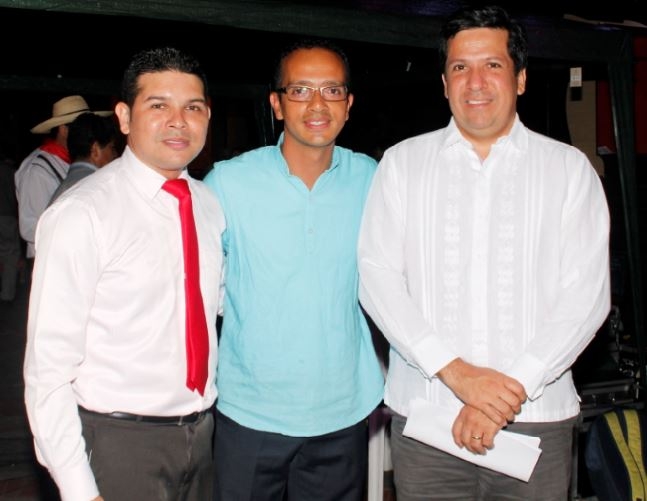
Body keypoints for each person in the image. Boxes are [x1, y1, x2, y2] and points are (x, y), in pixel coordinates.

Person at [357, 5, 611, 501]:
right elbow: (377, 278)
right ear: (444, 83)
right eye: (460, 67)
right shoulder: (402, 164)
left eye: (492, 65)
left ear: (520, 78)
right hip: (427, 417)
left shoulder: (568, 170)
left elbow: (587, 296)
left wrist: (506, 391)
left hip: (534, 419)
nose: (475, 82)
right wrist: (458, 375)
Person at [24, 47, 224, 501]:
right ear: (125, 117)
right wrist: (79, 488)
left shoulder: (208, 205)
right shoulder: (83, 213)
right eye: (159, 106)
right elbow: (48, 367)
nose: (178, 122)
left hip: (201, 435)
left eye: (193, 108)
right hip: (119, 441)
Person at [203, 38, 384, 501]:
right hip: (250, 410)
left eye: (332, 90)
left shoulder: (373, 179)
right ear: (277, 104)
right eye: (300, 90)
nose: (317, 104)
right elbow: (198, 284)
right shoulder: (228, 182)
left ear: (348, 104)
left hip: (342, 408)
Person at [14, 95, 112, 261]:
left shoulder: (74, 161)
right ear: (63, 129)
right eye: (80, 126)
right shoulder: (38, 169)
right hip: (48, 260)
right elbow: (30, 227)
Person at [48, 112, 121, 205]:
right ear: (95, 150)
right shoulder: (100, 187)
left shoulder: (61, 190)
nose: (115, 155)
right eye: (112, 148)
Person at [0, 152, 20, 304]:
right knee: (10, 255)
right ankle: (7, 294)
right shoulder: (11, 173)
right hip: (7, 217)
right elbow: (17, 196)